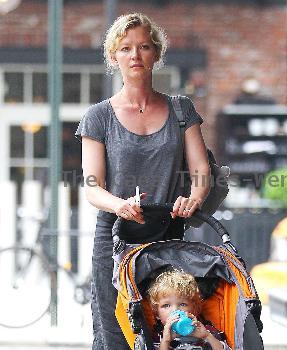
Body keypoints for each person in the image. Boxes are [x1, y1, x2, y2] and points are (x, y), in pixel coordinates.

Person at [75, 13, 210, 350]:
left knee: (167, 331)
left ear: (156, 54)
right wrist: (119, 205)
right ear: (113, 56)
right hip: (115, 239)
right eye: (125, 48)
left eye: (144, 47)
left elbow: (201, 172)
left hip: (167, 237)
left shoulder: (181, 110)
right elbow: (92, 185)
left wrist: (194, 197)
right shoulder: (99, 117)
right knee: (115, 333)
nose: (134, 55)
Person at [147, 270, 231, 350]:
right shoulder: (159, 337)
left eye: (182, 304)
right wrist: (166, 341)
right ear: (157, 314)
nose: (175, 310)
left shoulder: (205, 330)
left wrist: (207, 336)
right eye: (166, 305)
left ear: (194, 310)